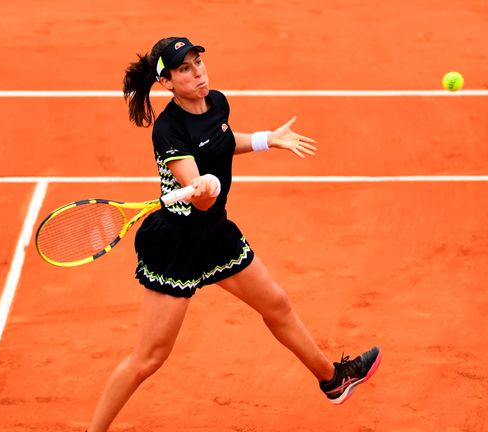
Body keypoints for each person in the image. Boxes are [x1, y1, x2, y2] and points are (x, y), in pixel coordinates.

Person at [86, 36, 381, 432]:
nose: (198, 73)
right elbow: (200, 194)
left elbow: (222, 142)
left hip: (214, 234)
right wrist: (204, 186)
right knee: (149, 359)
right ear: (167, 83)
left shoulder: (217, 101)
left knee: (276, 303)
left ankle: (333, 380)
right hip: (176, 244)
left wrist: (264, 140)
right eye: (185, 69)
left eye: (198, 63)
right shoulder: (168, 131)